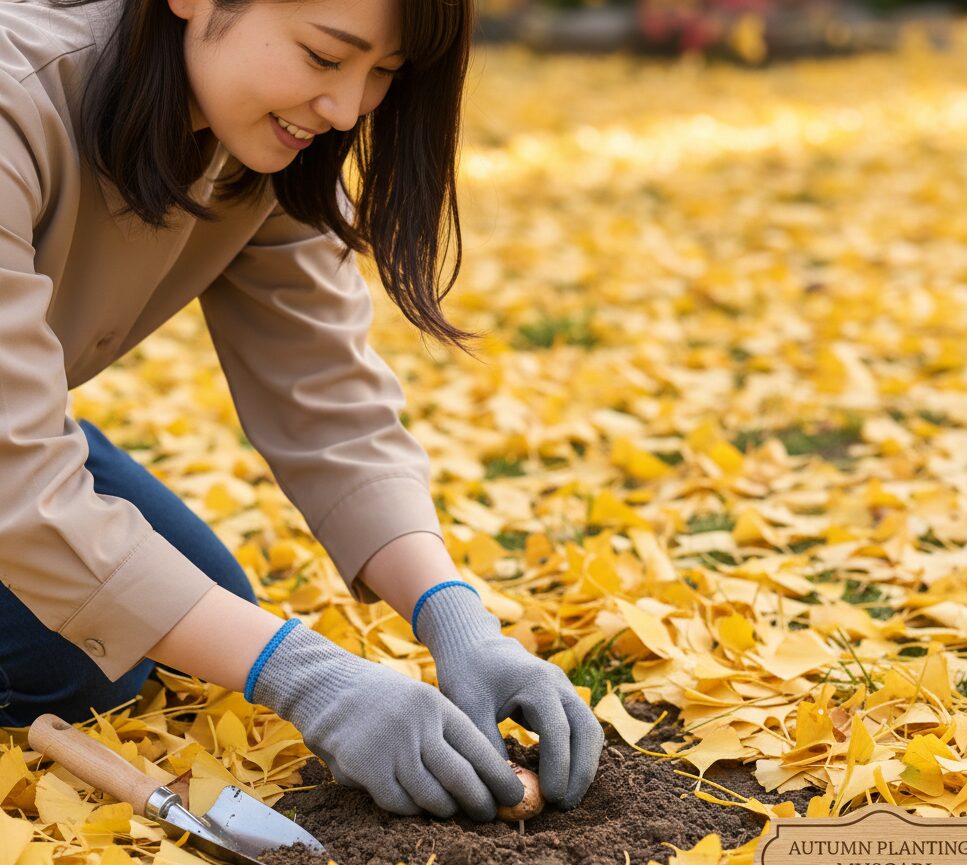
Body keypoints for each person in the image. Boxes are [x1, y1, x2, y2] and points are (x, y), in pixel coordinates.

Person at [0, 0, 605, 820]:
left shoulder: (255, 141)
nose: (348, 109)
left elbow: (328, 397)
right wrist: (303, 674)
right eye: (324, 57)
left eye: (383, 72)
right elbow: (18, 490)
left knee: (202, 603)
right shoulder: (14, 101)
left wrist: (454, 616)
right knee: (69, 660)